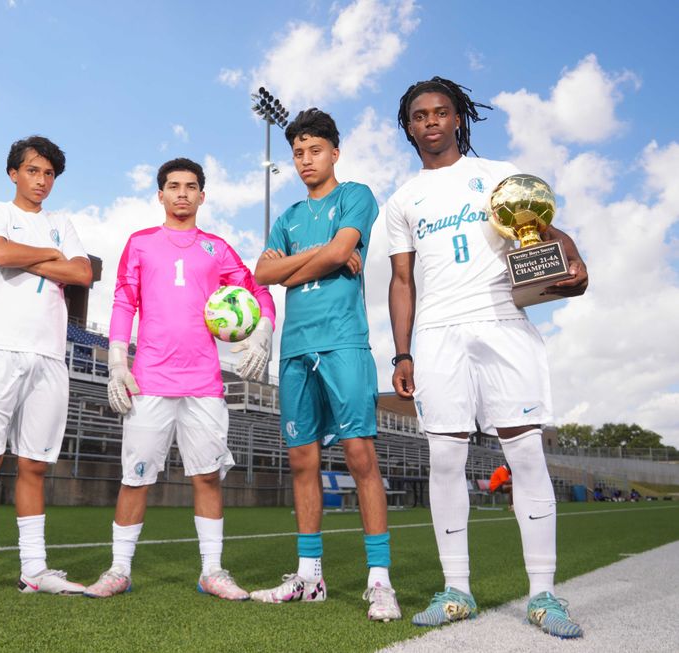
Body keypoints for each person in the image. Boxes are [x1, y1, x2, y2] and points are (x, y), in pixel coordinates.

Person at [386, 76, 588, 638]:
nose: (430, 121)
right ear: (409, 127)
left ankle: (543, 595)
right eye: (419, 115)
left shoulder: (497, 175)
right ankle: (457, 591)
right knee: (445, 460)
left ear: (458, 118)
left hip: (502, 322)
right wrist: (402, 353)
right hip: (437, 334)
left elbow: (547, 232)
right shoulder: (402, 200)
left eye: (440, 112)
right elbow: (402, 281)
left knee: (525, 454)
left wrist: (575, 265)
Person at [83, 158, 275, 600]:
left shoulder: (217, 249)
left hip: (204, 383)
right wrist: (117, 362)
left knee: (207, 477)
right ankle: (119, 570)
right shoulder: (141, 243)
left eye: (191, 186)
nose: (182, 193)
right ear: (161, 195)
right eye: (174, 186)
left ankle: (212, 571)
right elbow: (124, 300)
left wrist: (264, 328)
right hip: (149, 380)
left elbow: (257, 289)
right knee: (136, 477)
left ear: (202, 196)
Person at [249, 108, 401, 622]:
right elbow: (261, 272)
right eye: (298, 153)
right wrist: (322, 256)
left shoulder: (355, 195)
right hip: (295, 347)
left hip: (343, 342)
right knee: (301, 461)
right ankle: (309, 576)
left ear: (334, 152)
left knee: (360, 455)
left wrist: (294, 268)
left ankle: (379, 580)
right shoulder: (288, 217)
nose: (305, 160)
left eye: (315, 150)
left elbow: (339, 253)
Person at [0, 137, 91, 601]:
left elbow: (83, 274)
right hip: (2, 348)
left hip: (50, 355)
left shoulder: (61, 222)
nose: (41, 180)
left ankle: (34, 569)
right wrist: (52, 256)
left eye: (48, 174)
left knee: (33, 464)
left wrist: (33, 255)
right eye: (32, 171)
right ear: (14, 173)